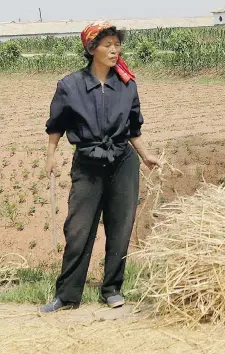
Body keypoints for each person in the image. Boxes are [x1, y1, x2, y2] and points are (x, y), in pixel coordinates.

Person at [40, 21, 161, 313]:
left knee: (120, 227)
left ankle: (112, 289)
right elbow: (56, 125)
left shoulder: (127, 85)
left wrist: (145, 155)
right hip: (88, 163)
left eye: (117, 45)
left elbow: (133, 127)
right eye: (108, 45)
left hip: (123, 162)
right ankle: (67, 295)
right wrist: (51, 154)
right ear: (92, 48)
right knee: (79, 229)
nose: (114, 50)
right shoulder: (69, 86)